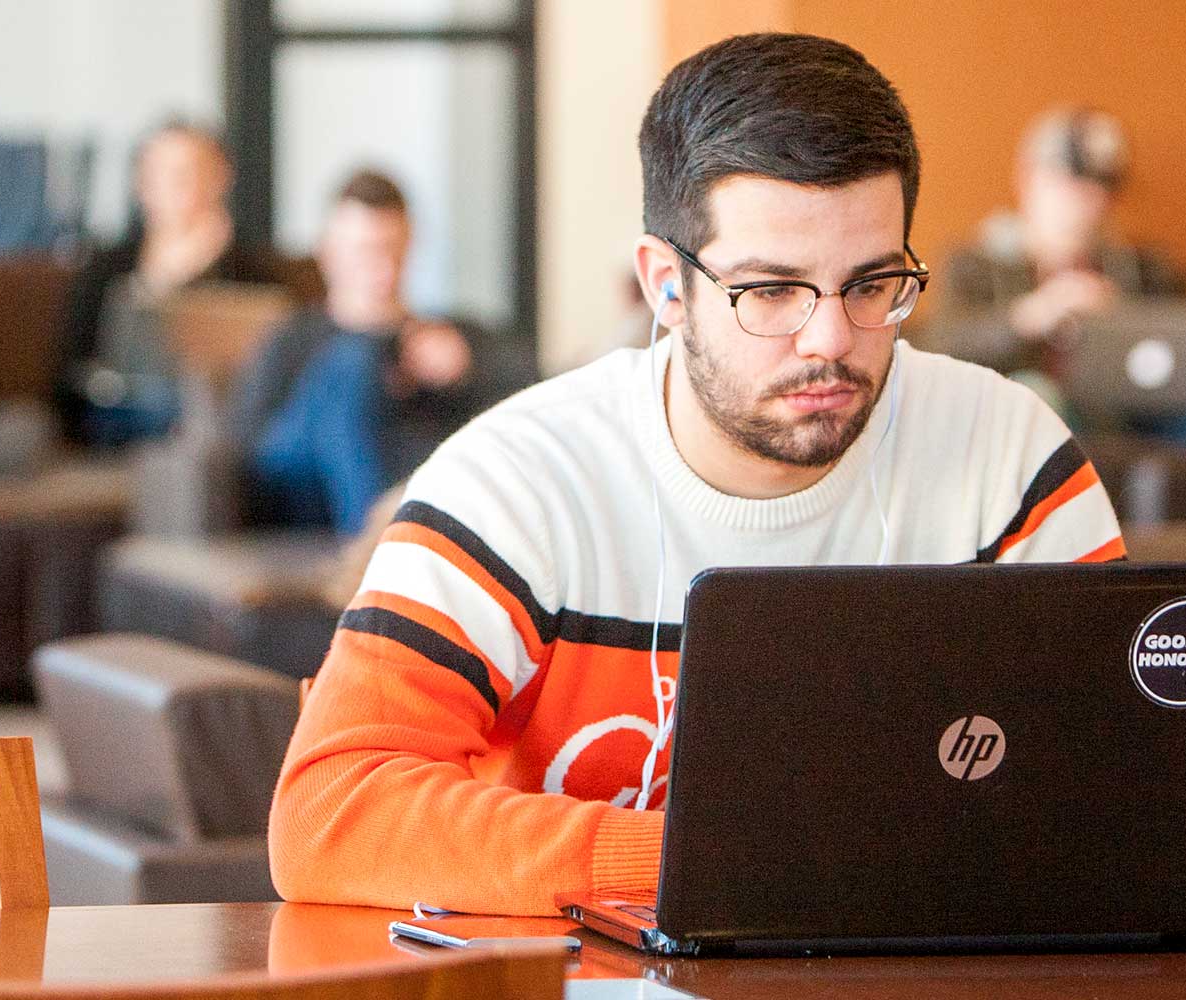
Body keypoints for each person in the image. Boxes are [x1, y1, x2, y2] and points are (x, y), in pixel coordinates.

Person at [268, 33, 1126, 916]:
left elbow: (1127, 792)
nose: (830, 339)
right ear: (666, 287)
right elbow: (331, 811)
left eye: (871, 285)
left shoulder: (1007, 455)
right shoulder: (516, 481)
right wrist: (733, 860)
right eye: (771, 291)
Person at [927, 106, 1186, 451]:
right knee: (1034, 397)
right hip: (1062, 429)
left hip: (1156, 424)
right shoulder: (978, 265)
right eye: (1074, 181)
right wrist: (1035, 315)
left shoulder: (1141, 269)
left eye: (1104, 187)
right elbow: (939, 349)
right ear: (1029, 178)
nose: (1090, 201)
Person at [234, 170, 496, 536]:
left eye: (393, 247)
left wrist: (462, 373)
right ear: (328, 251)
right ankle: (381, 550)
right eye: (365, 250)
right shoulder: (294, 336)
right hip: (299, 485)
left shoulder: (444, 337)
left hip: (403, 477)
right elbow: (251, 445)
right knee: (353, 361)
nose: (382, 265)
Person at [55, 122, 276, 449]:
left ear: (220, 179)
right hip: (117, 412)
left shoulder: (249, 273)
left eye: (188, 172)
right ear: (141, 183)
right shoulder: (105, 266)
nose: (174, 186)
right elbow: (70, 368)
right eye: (159, 172)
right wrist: (167, 276)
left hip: (213, 412)